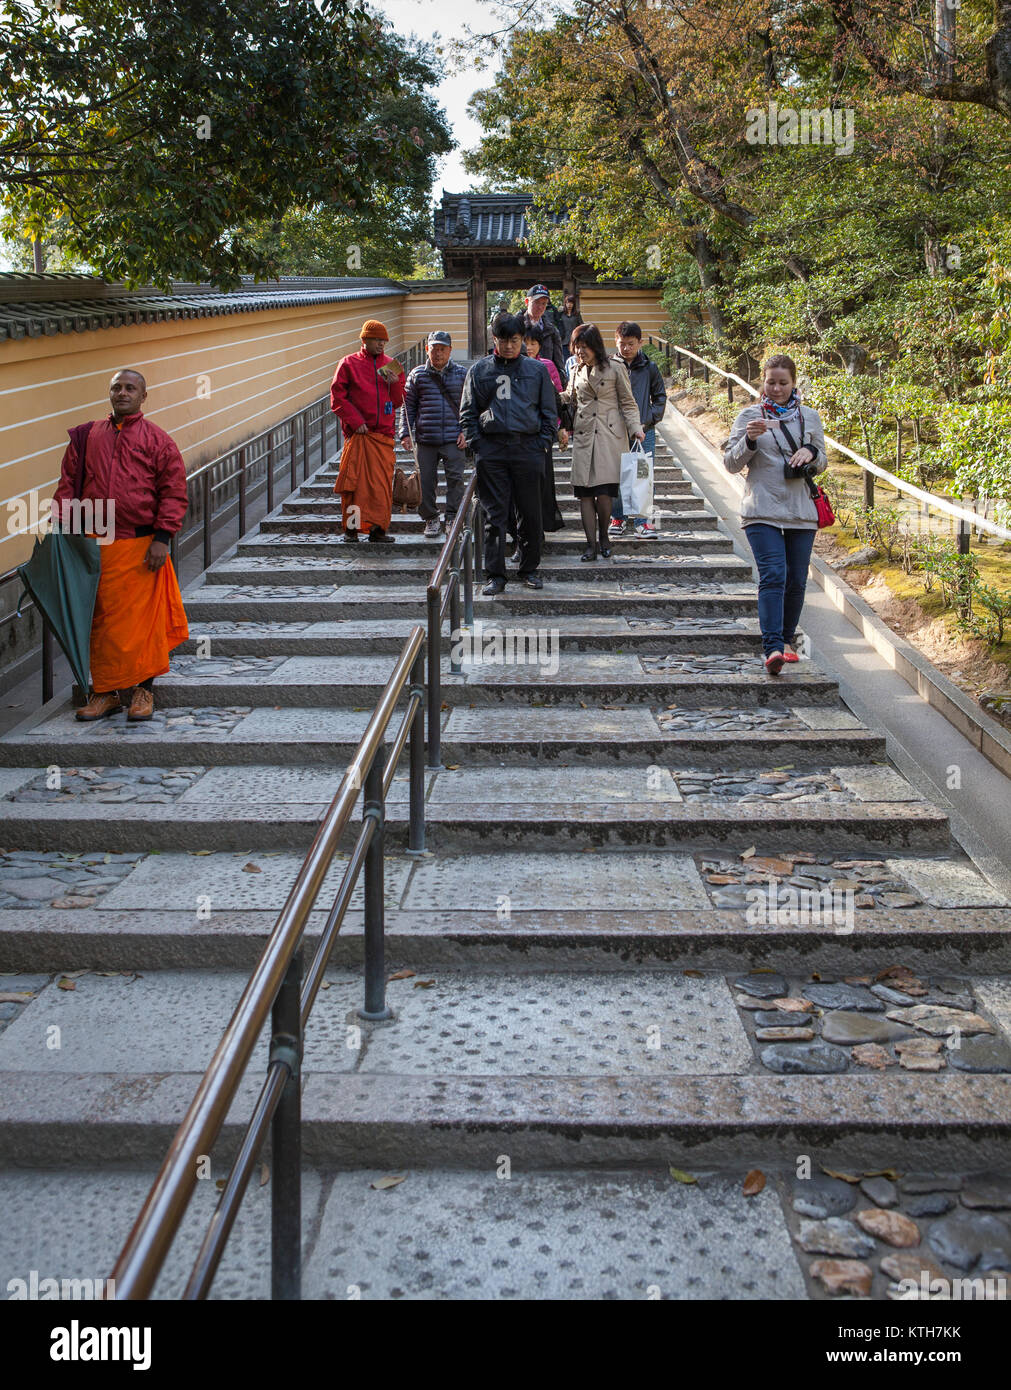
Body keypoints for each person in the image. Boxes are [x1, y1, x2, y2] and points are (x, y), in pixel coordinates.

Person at [52, 369, 189, 723]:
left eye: (130, 388)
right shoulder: (86, 437)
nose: (123, 393)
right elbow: (68, 484)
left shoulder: (158, 440)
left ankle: (144, 691)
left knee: (142, 624)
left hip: (142, 545)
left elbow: (173, 491)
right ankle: (105, 693)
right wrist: (61, 531)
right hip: (95, 544)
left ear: (144, 396)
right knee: (100, 622)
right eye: (117, 388)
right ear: (109, 394)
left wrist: (162, 537)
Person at [724, 353, 827, 675]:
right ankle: (772, 648)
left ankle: (785, 640)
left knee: (796, 580)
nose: (777, 388)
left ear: (794, 383)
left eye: (783, 383)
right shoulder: (749, 416)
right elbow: (730, 463)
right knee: (773, 576)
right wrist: (750, 440)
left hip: (800, 510)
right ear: (762, 382)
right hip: (761, 508)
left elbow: (822, 461)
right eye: (771, 382)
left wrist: (810, 452)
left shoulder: (809, 417)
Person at [459, 311, 557, 594]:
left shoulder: (536, 371)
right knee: (495, 515)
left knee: (530, 512)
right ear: (494, 340)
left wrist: (542, 443)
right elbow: (468, 413)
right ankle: (495, 575)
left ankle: (529, 568)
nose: (510, 346)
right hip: (493, 450)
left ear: (522, 340)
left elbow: (549, 413)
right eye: (504, 340)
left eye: (515, 340)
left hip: (529, 449)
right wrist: (479, 445)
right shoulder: (479, 371)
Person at [560, 324, 644, 561]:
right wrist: (548, 392)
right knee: (585, 494)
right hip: (585, 435)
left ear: (595, 346)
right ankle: (590, 545)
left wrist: (636, 428)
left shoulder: (615, 368)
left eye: (584, 347)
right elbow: (569, 396)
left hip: (609, 436)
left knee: (605, 493)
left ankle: (604, 536)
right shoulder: (576, 370)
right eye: (576, 348)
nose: (580, 353)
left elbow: (628, 402)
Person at [330, 319, 406, 543]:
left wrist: (394, 383)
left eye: (384, 341)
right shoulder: (348, 364)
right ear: (364, 340)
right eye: (376, 340)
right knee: (355, 488)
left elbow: (398, 401)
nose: (381, 344)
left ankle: (378, 530)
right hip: (359, 436)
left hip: (383, 437)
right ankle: (351, 530)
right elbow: (337, 398)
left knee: (380, 489)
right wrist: (355, 420)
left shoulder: (392, 365)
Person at [399, 331, 468, 538]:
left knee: (456, 479)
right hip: (426, 438)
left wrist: (467, 431)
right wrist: (405, 434)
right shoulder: (417, 374)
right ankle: (430, 518)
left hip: (453, 438)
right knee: (425, 481)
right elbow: (407, 406)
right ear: (427, 350)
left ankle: (453, 517)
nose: (437, 353)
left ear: (449, 350)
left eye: (442, 349)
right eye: (434, 349)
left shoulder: (462, 374)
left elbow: (470, 406)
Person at [610, 322, 668, 540]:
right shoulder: (610, 366)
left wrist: (647, 420)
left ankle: (643, 521)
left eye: (631, 344)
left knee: (643, 474)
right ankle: (618, 517)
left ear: (640, 343)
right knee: (616, 475)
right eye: (622, 344)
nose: (626, 348)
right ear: (615, 342)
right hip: (616, 431)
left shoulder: (649, 367)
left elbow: (660, 397)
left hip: (644, 431)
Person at [522, 323, 566, 534]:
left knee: (544, 479)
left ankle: (544, 523)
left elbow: (557, 397)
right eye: (526, 342)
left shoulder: (547, 365)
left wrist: (558, 427)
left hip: (542, 431)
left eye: (533, 343)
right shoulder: (513, 365)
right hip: (522, 431)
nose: (529, 347)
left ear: (540, 345)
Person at [523, 284, 567, 379]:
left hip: (547, 380)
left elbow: (559, 361)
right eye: (536, 302)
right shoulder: (517, 327)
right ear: (527, 302)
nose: (540, 307)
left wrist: (561, 378)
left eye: (544, 303)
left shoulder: (552, 330)